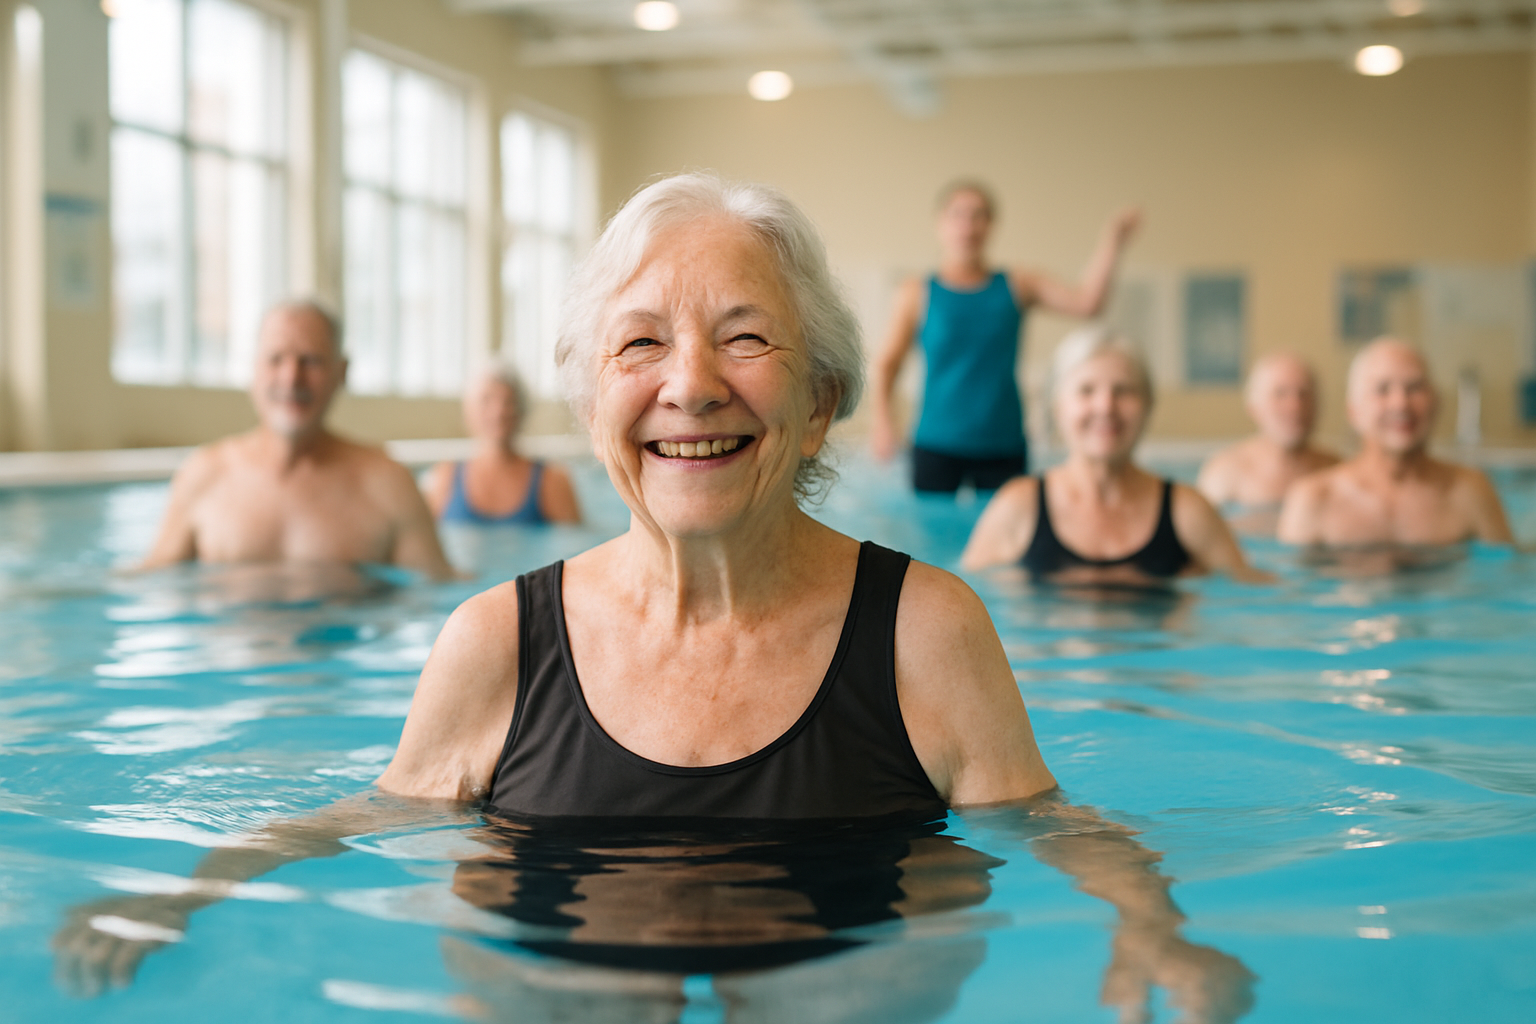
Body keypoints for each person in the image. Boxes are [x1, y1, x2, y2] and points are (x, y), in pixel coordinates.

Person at [55, 175, 1252, 1020]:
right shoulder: (497, 644)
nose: (691, 386)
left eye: (744, 339)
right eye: (640, 346)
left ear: (824, 396)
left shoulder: (927, 633)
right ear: (589, 406)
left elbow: (1050, 825)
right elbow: (361, 816)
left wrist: (1155, 926)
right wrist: (184, 892)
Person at [138, 301, 458, 581]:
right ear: (253, 369)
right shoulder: (204, 475)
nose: (291, 377)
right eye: (276, 359)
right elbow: (150, 580)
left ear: (341, 372)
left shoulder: (387, 484)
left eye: (310, 360)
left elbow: (439, 593)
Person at [869, 179, 1139, 493]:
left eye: (978, 215)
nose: (968, 226)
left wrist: (1113, 241)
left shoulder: (1018, 284)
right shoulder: (916, 293)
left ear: (991, 225)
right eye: (958, 215)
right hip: (935, 445)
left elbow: (1087, 304)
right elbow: (887, 364)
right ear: (940, 223)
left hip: (1003, 445)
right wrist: (883, 423)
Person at [962, 326, 1265, 584]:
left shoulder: (1189, 512)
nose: (1106, 406)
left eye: (1123, 391)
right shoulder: (1018, 507)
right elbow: (963, 605)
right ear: (1058, 407)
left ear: (1147, 406)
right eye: (1086, 390)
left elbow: (1251, 597)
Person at [1277, 337, 1514, 549]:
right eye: (1382, 389)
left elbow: (1509, 579)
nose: (1400, 404)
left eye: (1415, 388)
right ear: (1354, 411)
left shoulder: (1469, 492)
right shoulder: (1314, 500)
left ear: (1436, 402)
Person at [424, 363, 582, 526]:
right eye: (487, 400)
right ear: (468, 410)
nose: (498, 411)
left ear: (522, 410)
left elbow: (578, 546)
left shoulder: (552, 480)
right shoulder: (443, 480)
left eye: (508, 401)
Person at [1197, 352, 1339, 527]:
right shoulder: (1226, 474)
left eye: (1304, 394)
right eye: (1280, 394)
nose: (1295, 406)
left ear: (1318, 405)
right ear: (1253, 407)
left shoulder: (1336, 471)